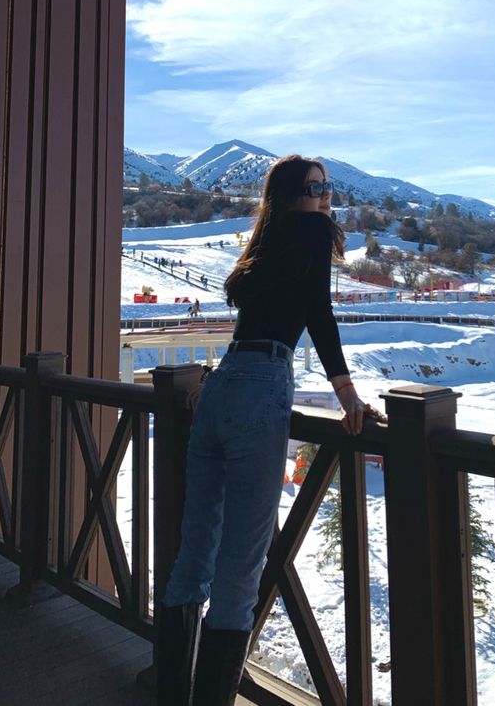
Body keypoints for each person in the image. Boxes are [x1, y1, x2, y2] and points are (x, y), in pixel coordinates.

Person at [157, 156, 382, 706]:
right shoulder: (310, 232)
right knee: (241, 568)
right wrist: (347, 394)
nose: (326, 195)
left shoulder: (266, 243)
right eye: (315, 187)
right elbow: (320, 314)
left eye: (329, 187)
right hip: (261, 385)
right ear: (292, 194)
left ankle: (169, 693)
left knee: (194, 554)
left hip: (221, 385)